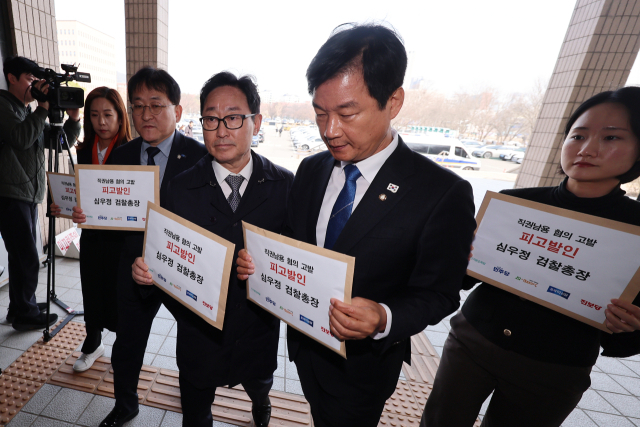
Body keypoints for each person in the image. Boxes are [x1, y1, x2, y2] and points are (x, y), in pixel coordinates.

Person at [237, 23, 476, 427]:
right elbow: (297, 246)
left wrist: (384, 317)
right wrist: (261, 263)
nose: (329, 131)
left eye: (347, 113)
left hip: (363, 369)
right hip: (306, 349)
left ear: (393, 101)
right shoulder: (312, 169)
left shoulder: (441, 192)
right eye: (320, 113)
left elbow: (439, 293)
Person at [421, 87, 640, 427]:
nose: (587, 149)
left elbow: (626, 338)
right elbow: (464, 276)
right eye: (577, 135)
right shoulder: (515, 204)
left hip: (555, 368)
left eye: (611, 137)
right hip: (473, 342)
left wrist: (629, 325)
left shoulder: (635, 232)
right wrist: (458, 255)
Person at [131, 71, 293, 427]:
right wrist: (148, 273)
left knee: (259, 384)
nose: (221, 130)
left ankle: (261, 403)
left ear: (257, 122)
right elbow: (164, 257)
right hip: (199, 335)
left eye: (234, 117)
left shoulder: (285, 185)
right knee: (196, 413)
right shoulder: (178, 188)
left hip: (257, 331)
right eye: (210, 118)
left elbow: (296, 261)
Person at [70, 67, 207, 427]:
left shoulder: (201, 157)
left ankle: (214, 407)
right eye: (138, 106)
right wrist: (89, 212)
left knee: (194, 347)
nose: (146, 114)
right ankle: (126, 404)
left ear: (177, 111)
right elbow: (107, 212)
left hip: (183, 267)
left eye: (156, 105)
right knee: (127, 345)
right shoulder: (123, 155)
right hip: (134, 265)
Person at [52, 87, 132, 371]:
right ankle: (93, 341)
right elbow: (79, 193)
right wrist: (63, 206)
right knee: (92, 287)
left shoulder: (132, 152)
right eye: (95, 115)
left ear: (120, 118)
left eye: (108, 114)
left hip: (123, 241)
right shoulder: (83, 150)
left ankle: (125, 348)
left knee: (120, 293)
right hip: (94, 237)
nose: (101, 121)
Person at [0, 56, 81, 330]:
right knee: (27, 257)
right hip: (11, 194)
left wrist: (73, 119)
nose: (34, 86)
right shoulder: (3, 106)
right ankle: (25, 313)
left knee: (21, 255)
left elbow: (58, 142)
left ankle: (21, 306)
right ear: (12, 77)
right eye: (30, 80)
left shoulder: (26, 111)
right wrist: (43, 109)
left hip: (25, 193)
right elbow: (22, 138)